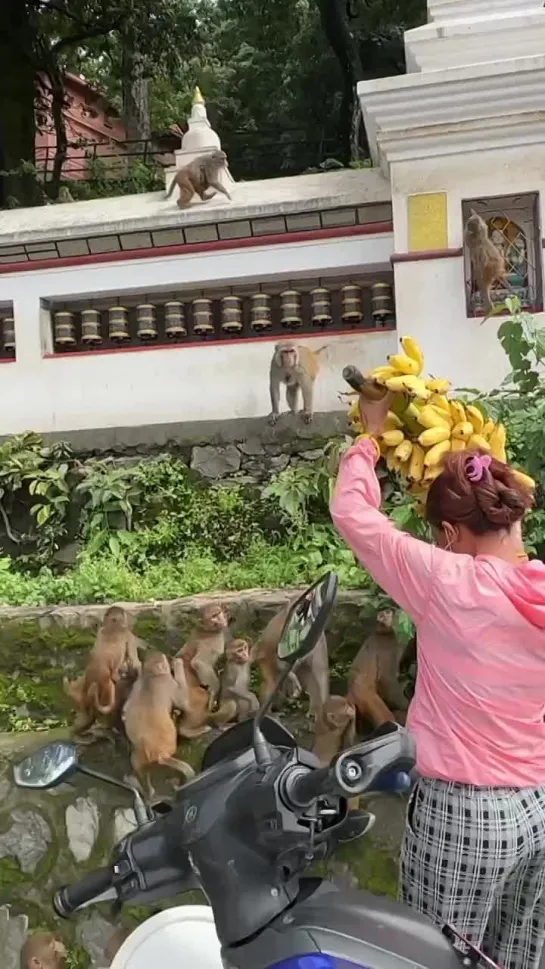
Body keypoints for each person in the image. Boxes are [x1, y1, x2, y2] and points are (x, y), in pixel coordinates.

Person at [330, 391, 545, 969]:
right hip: (536, 807)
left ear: (449, 534)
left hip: (463, 816)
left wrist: (370, 437)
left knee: (428, 958)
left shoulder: (446, 581)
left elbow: (354, 514)